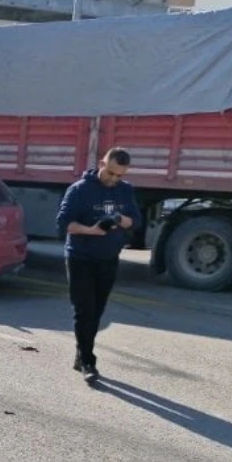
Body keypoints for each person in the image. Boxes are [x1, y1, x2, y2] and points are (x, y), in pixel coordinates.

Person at [55, 147, 142, 383]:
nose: (113, 179)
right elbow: (64, 223)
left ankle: (80, 353)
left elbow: (136, 220)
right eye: (110, 172)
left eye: (119, 175)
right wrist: (91, 230)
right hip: (80, 258)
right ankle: (88, 361)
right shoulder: (80, 189)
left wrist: (120, 219)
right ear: (101, 163)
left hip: (108, 258)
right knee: (84, 311)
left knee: (97, 311)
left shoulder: (125, 190)